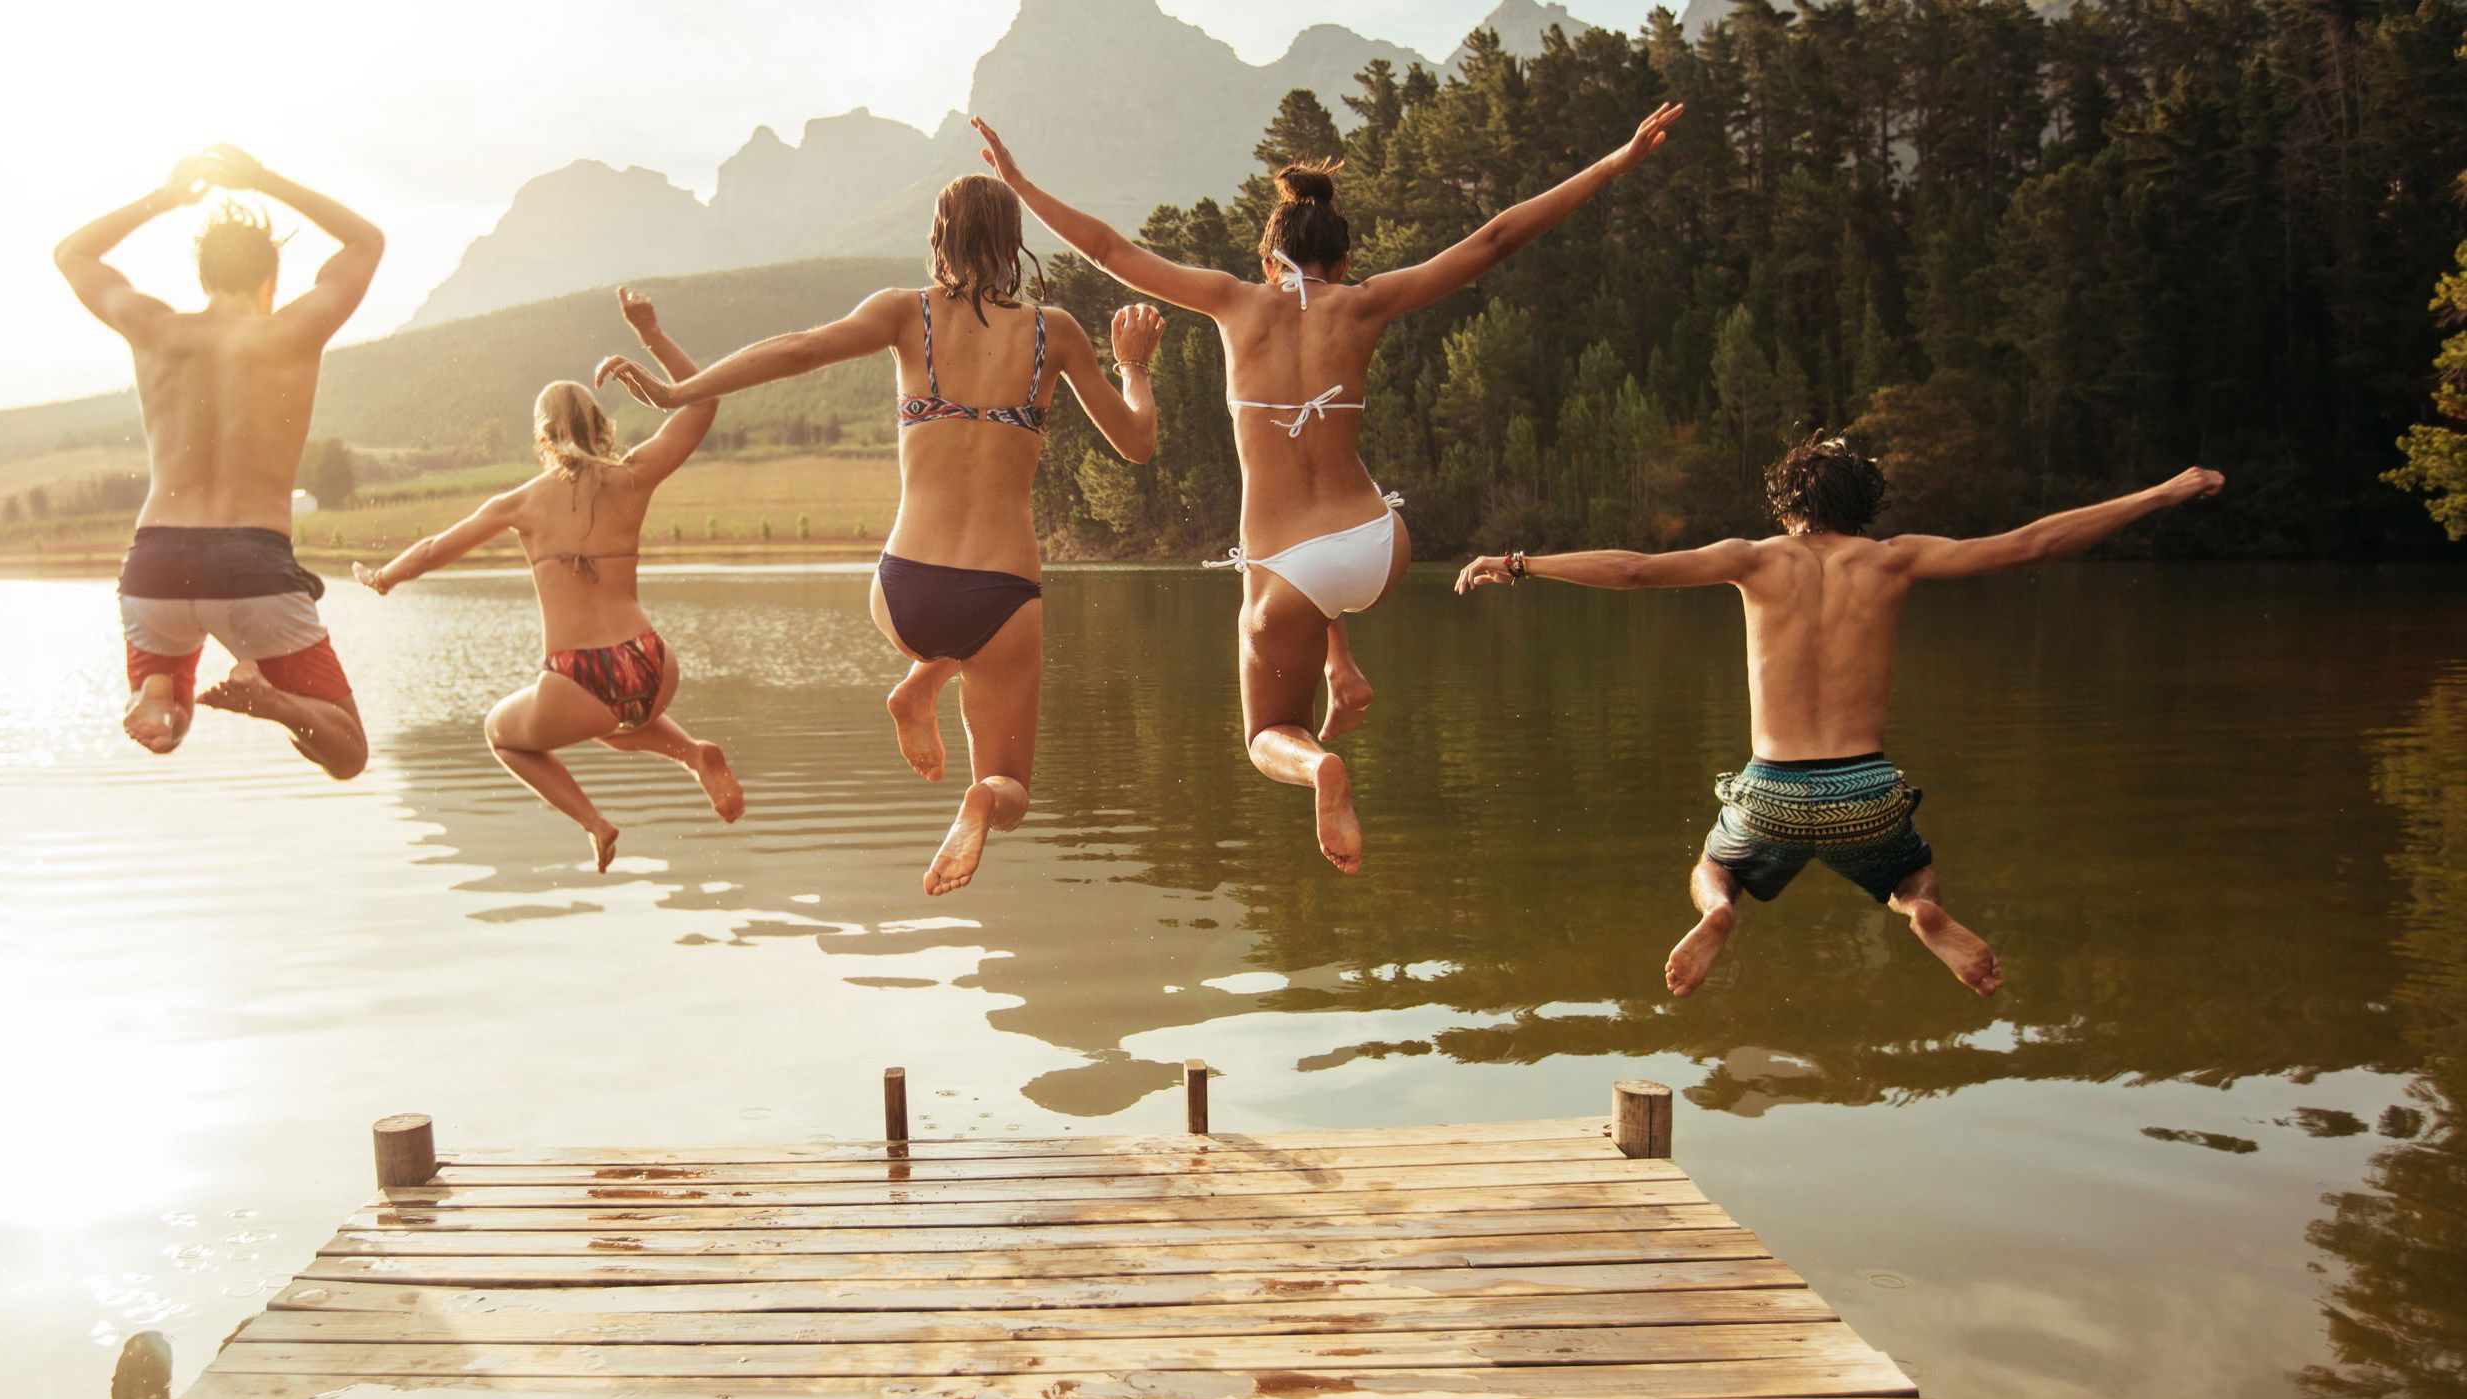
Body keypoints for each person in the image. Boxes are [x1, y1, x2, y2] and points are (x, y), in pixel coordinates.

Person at [977, 106, 1683, 873]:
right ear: (1344, 262)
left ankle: (1320, 767)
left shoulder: (1232, 301)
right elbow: (1494, 240)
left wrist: (1017, 184)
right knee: (1318, 541)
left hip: (1293, 570)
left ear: (1270, 260)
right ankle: (1339, 667)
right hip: (1382, 547)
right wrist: (1612, 162)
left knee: (1263, 734)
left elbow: (1109, 247)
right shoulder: (1366, 303)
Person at [1458, 433, 2229, 998]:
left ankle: (1720, 912)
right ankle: (1924, 912)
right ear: (1866, 506)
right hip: (1865, 790)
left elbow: (1631, 569)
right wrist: (2160, 493)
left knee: (1716, 866)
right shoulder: (1893, 558)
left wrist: (1522, 563)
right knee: (1912, 872)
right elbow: (2030, 546)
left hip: (1772, 792)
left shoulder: (1751, 559)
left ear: (1786, 505)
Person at [594, 176, 1164, 895]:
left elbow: (800, 349)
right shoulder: (1057, 332)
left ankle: (923, 675)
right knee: (1009, 782)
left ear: (939, 237)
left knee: (933, 636)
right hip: (1005, 594)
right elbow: (1138, 443)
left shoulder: (907, 314)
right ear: (1012, 240)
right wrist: (1135, 366)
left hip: (905, 589)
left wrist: (680, 391)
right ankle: (976, 788)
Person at [355, 290, 745, 872]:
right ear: (601, 425)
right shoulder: (632, 476)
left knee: (503, 733)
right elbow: (703, 401)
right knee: (615, 723)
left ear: (541, 435)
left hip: (578, 677)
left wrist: (383, 577)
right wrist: (651, 335)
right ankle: (692, 753)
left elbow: (436, 549)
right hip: (652, 661)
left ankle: (596, 822)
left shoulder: (519, 502)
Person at [55, 144, 382, 779]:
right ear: (272, 282)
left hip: (154, 565)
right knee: (347, 753)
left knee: (170, 721)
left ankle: (157, 699)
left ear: (202, 279)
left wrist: (165, 199)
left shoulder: (155, 329)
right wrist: (267, 179)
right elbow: (365, 242)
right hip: (250, 565)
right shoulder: (293, 330)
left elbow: (73, 254)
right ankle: (274, 702)